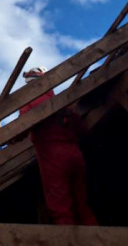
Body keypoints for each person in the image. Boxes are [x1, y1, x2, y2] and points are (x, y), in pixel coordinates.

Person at [20, 67, 98, 226]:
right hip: (75, 154)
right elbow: (81, 127)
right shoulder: (62, 102)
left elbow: (20, 128)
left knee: (60, 208)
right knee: (82, 205)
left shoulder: (30, 103)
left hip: (52, 157)